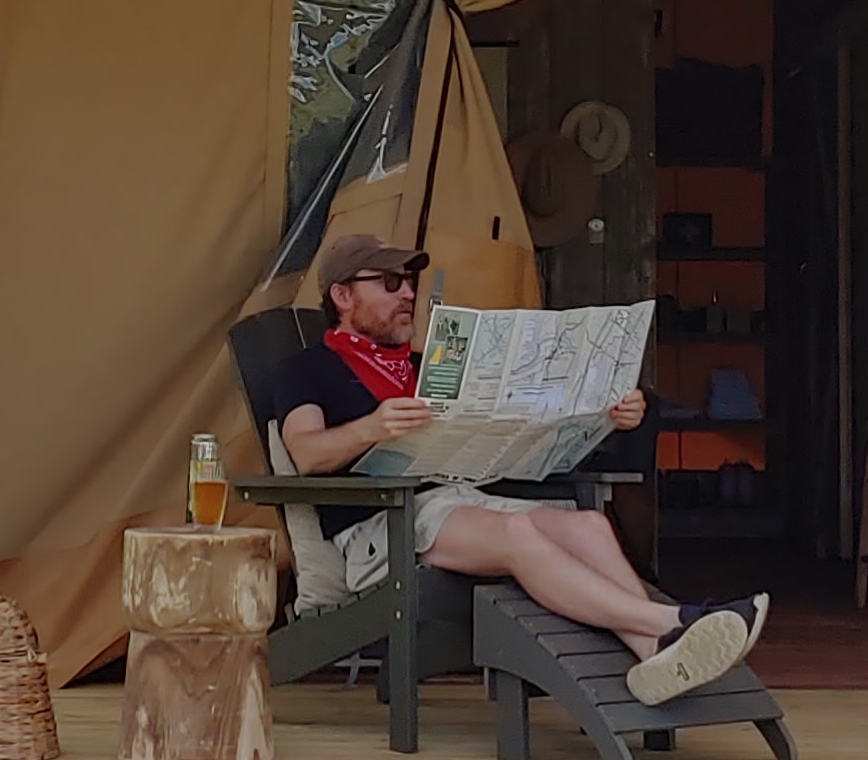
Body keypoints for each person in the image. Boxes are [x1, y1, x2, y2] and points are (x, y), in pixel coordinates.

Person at [267, 232, 766, 706]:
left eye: (412, 282)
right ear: (342, 295)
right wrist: (371, 427)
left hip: (462, 499)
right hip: (383, 523)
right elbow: (307, 452)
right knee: (519, 535)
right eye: (391, 282)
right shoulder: (308, 370)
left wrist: (606, 418)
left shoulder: (429, 366)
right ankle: (672, 621)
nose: (408, 294)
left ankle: (653, 652)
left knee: (588, 524)